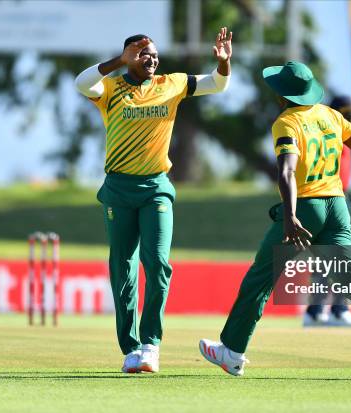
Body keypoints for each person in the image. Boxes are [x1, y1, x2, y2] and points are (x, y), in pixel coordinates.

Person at [198, 61, 351, 378]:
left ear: (280, 96)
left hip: (305, 207)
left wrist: (289, 216)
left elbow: (287, 171)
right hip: (337, 207)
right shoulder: (332, 116)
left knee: (260, 279)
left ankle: (232, 352)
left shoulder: (285, 123)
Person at [75, 28, 233, 373]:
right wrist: (118, 61)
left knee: (158, 264)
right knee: (122, 268)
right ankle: (130, 349)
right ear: (129, 57)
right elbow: (81, 83)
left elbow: (216, 84)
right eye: (144, 54)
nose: (152, 59)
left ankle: (150, 345)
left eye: (155, 54)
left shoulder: (171, 83)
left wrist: (223, 64)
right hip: (118, 188)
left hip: (156, 187)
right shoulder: (111, 88)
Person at [303, 95, 351, 328]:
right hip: (331, 198)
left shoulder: (339, 135)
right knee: (345, 253)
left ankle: (315, 311)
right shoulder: (334, 134)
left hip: (331, 197)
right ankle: (339, 310)